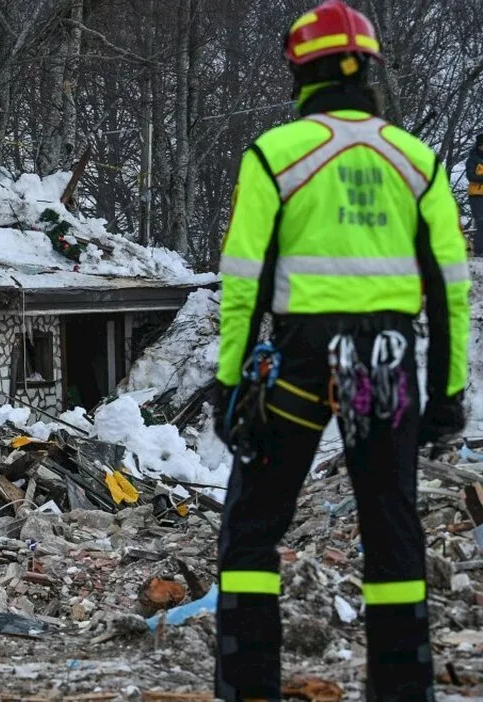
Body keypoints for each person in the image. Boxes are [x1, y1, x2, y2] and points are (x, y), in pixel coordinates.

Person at [214, 1, 470, 700]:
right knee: (393, 529)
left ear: (302, 73)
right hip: (385, 366)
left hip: (298, 366)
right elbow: (451, 289)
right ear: (370, 71)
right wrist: (449, 392)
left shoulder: (275, 156)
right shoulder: (419, 162)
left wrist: (229, 381)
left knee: (252, 529)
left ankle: (248, 688)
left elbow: (243, 285)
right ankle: (401, 690)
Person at [468, 133, 483, 254]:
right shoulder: (472, 159)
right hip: (476, 194)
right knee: (481, 221)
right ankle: (478, 251)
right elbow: (470, 176)